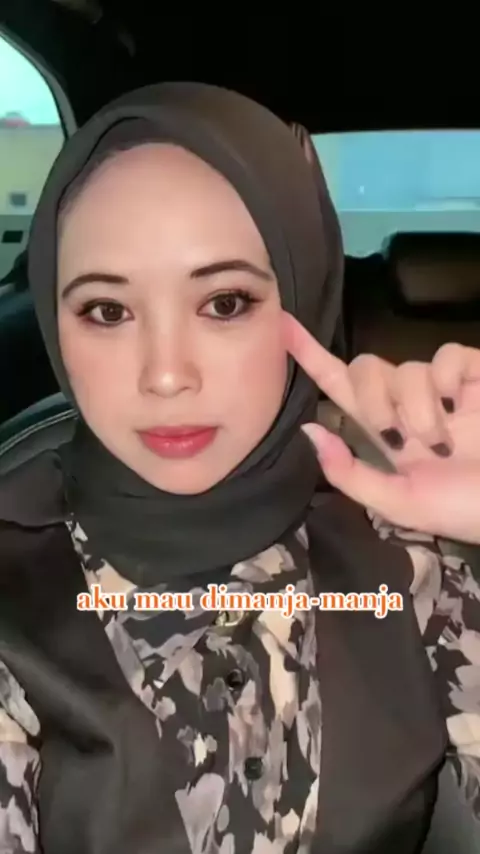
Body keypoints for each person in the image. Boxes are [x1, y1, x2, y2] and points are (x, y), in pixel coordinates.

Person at [0, 81, 478, 854]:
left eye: (224, 303)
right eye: (107, 311)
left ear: (306, 293)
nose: (166, 375)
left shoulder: (407, 563)